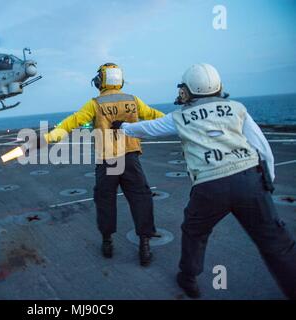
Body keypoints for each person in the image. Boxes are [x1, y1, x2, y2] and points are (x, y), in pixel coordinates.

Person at [113, 63, 296, 299]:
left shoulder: (180, 116)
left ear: (186, 90)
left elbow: (148, 129)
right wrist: (266, 185)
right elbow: (262, 148)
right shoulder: (237, 108)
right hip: (249, 179)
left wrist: (123, 126)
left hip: (209, 187)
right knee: (278, 246)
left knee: (194, 232)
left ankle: (188, 278)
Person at [35, 63, 165, 266]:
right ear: (119, 80)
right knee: (141, 198)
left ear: (100, 81)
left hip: (107, 161)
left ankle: (107, 242)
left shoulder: (95, 103)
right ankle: (145, 245)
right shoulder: (132, 100)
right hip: (131, 158)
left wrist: (49, 137)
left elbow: (73, 122)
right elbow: (155, 116)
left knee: (105, 200)